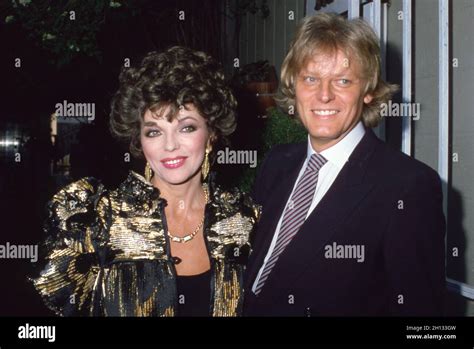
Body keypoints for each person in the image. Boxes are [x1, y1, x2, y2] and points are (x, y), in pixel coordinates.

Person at [32, 46, 260, 317]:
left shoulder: (242, 220)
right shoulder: (98, 220)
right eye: (154, 132)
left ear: (211, 134)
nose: (170, 145)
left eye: (186, 127)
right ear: (139, 140)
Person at [244, 13, 446, 316]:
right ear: (294, 86)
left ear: (367, 91)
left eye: (342, 80)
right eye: (311, 78)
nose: (324, 95)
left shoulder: (408, 187)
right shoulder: (277, 162)